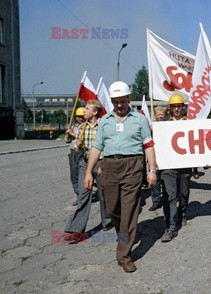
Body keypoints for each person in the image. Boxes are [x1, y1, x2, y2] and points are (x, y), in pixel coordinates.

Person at [84, 81, 157, 273]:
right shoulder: (105, 120)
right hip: (108, 166)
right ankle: (124, 235)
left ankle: (124, 255)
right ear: (112, 101)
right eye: (116, 102)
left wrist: (152, 170)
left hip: (133, 166)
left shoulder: (139, 120)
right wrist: (88, 172)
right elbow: (96, 147)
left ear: (128, 99)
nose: (119, 105)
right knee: (112, 208)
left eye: (123, 101)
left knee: (129, 210)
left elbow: (149, 145)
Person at [64, 100, 112, 242]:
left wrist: (105, 165)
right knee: (83, 195)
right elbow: (79, 146)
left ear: (95, 112)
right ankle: (76, 230)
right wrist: (78, 144)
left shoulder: (104, 126)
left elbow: (108, 146)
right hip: (85, 163)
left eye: (87, 108)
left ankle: (108, 221)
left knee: (104, 195)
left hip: (101, 163)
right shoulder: (83, 127)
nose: (84, 111)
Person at [160, 93, 192, 242]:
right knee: (170, 196)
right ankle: (171, 226)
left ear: (182, 107)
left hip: (185, 165)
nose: (177, 109)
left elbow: (194, 145)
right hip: (168, 167)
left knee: (183, 193)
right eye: (174, 107)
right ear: (170, 108)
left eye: (179, 106)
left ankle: (182, 213)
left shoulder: (190, 123)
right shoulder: (162, 124)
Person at [149, 106, 167, 212]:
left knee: (166, 181)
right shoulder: (150, 127)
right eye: (158, 114)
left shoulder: (168, 125)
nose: (160, 116)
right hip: (154, 158)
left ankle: (166, 200)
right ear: (155, 115)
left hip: (166, 158)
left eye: (162, 114)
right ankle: (156, 201)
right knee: (155, 181)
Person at [65, 107, 85, 205]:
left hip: (83, 152)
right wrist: (68, 133)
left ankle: (84, 195)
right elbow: (67, 140)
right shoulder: (73, 127)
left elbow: (83, 138)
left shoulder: (86, 127)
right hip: (73, 152)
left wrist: (72, 133)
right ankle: (78, 194)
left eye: (83, 117)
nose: (81, 119)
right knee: (74, 175)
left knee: (83, 175)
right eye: (79, 117)